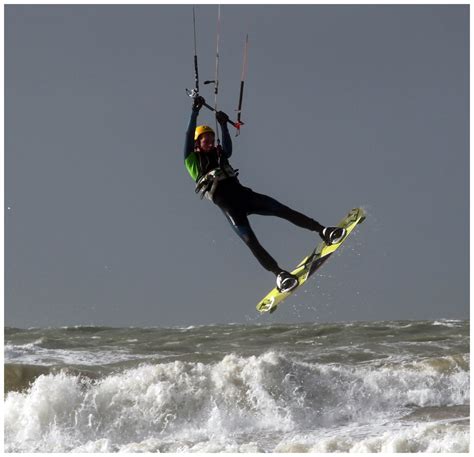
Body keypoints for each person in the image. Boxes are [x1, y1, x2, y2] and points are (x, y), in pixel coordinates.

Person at [183, 96, 346, 293]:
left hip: (245, 196)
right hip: (230, 207)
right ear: (197, 143)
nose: (209, 142)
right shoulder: (192, 161)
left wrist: (224, 125)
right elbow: (188, 134)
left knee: (282, 210)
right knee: (251, 241)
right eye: (205, 140)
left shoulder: (219, 154)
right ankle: (280, 275)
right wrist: (195, 111)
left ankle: (323, 231)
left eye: (211, 138)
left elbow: (228, 150)